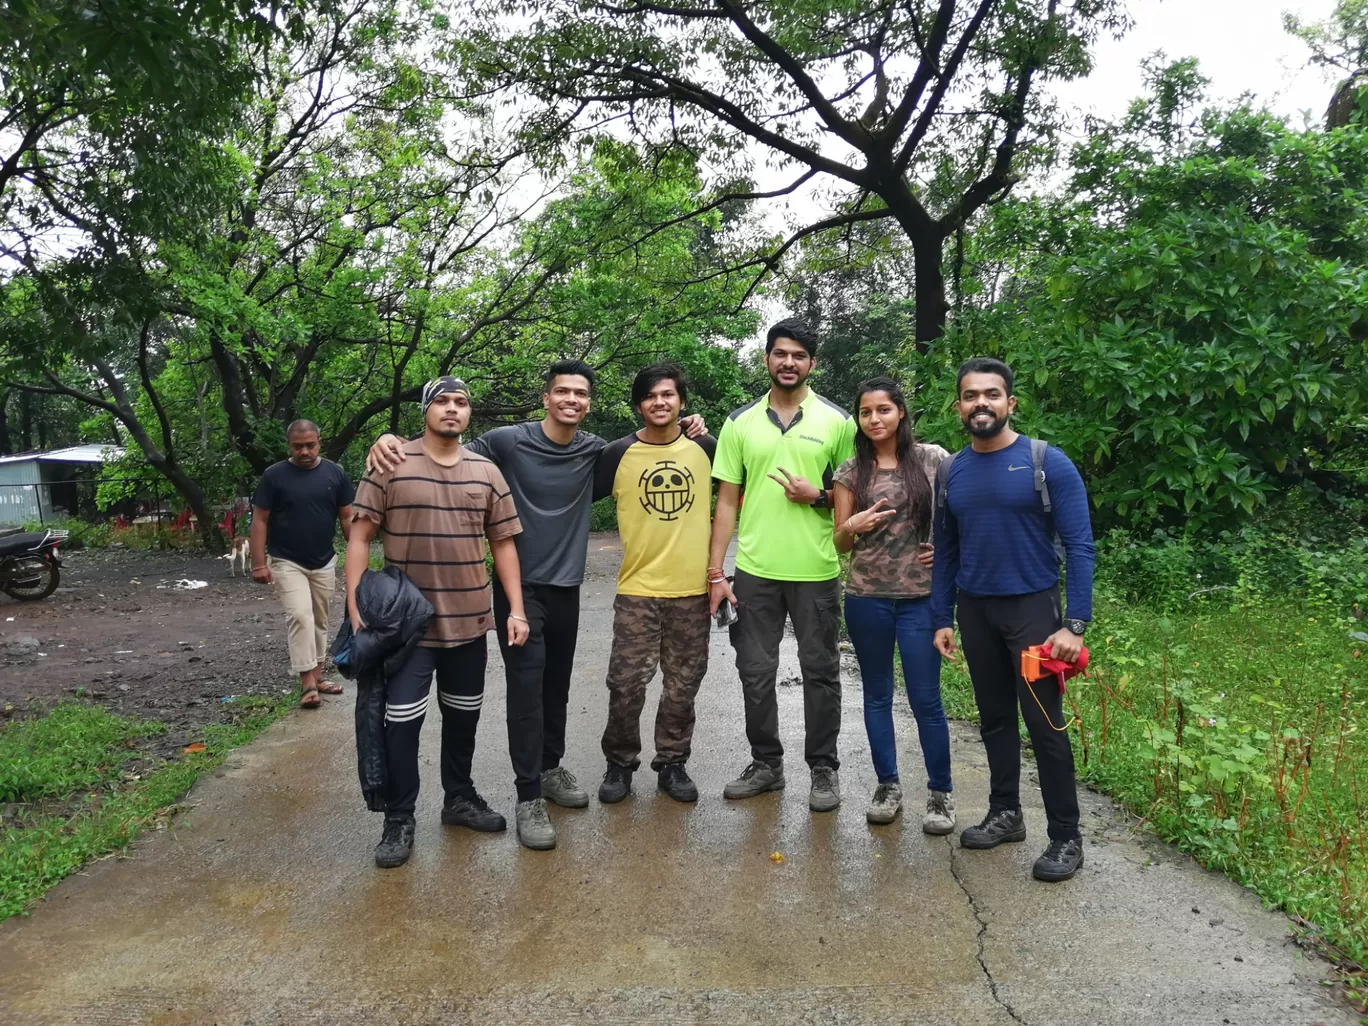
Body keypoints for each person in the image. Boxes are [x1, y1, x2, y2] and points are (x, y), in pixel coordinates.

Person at [365, 362, 707, 850]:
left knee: (556, 688)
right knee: (526, 692)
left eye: (581, 393)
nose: (571, 399)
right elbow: (445, 451)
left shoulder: (597, 451)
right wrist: (387, 438)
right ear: (545, 398)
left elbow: (653, 446)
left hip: (565, 587)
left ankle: (548, 768)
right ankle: (529, 798)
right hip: (517, 589)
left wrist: (693, 427)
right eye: (562, 391)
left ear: (589, 403)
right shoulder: (506, 442)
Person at [347, 376, 529, 869]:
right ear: (425, 409)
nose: (452, 409)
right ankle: (399, 818)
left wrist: (514, 608)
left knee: (463, 716)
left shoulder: (487, 472)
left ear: (470, 413)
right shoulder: (390, 463)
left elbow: (504, 543)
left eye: (461, 402)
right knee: (402, 723)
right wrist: (356, 607)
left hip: (470, 622)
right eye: (442, 402)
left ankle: (460, 798)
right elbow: (360, 536)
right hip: (406, 628)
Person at [930, 357, 1095, 882]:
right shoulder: (952, 471)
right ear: (958, 406)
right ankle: (1006, 814)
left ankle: (1066, 837)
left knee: (1046, 725)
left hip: (1033, 614)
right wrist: (943, 617)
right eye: (971, 395)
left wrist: (1075, 623)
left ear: (1010, 403)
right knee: (996, 719)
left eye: (992, 395)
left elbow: (1081, 546)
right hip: (976, 611)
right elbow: (947, 552)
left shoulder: (1048, 462)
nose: (982, 403)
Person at [707, 319, 857, 811]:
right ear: (767, 359)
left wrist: (818, 496)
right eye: (780, 353)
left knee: (820, 671)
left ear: (812, 363)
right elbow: (726, 502)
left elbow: (854, 497)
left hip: (816, 570)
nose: (788, 362)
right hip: (755, 570)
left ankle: (823, 769)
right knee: (754, 669)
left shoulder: (838, 423)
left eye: (798, 355)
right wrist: (715, 573)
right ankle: (767, 763)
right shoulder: (739, 422)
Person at [833, 377, 955, 832]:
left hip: (922, 598)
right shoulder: (851, 472)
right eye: (866, 412)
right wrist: (854, 524)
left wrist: (944, 549)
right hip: (867, 597)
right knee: (877, 695)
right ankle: (888, 785)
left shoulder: (933, 460)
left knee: (926, 698)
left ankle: (940, 795)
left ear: (900, 412)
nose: (875, 419)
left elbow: (958, 519)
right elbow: (841, 543)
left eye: (883, 409)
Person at [593, 363, 716, 805]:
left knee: (683, 683)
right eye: (650, 396)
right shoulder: (616, 454)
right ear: (639, 404)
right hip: (638, 590)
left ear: (682, 401)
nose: (660, 402)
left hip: (692, 590)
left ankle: (673, 763)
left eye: (668, 395)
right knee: (625, 683)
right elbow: (567, 496)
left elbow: (737, 498)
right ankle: (619, 763)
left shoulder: (706, 447)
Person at [249, 419, 355, 709]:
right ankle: (308, 682)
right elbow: (260, 520)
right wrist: (259, 563)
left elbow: (347, 517)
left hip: (323, 560)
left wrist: (357, 554)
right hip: (286, 559)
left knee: (320, 619)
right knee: (300, 615)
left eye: (310, 445)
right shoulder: (274, 476)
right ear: (289, 446)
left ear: (319, 442)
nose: (305, 452)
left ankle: (318, 676)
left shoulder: (336, 473)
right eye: (298, 447)